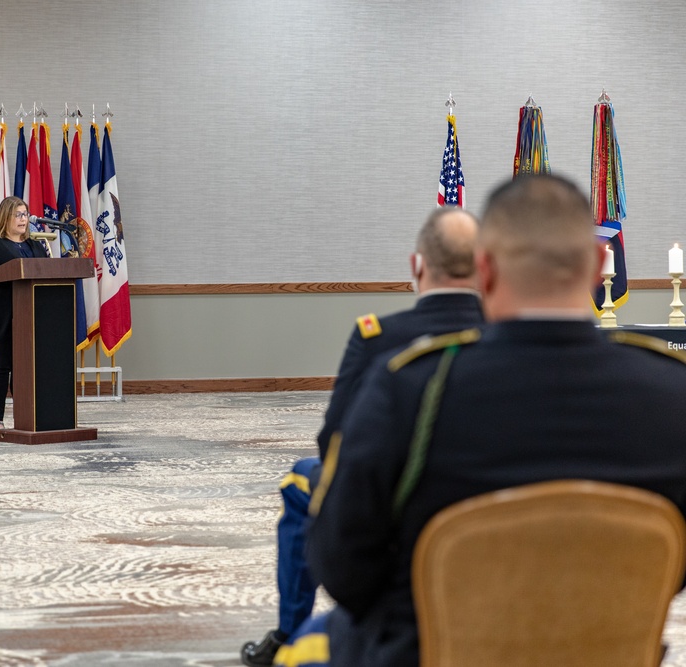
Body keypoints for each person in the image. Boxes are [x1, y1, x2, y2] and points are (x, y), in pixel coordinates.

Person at [306, 174, 686, 667]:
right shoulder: (672, 394)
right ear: (597, 267)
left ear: (484, 269)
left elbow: (340, 567)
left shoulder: (410, 388)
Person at [241, 207, 484, 667]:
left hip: (394, 507)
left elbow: (335, 440)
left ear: (417, 266)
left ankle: (289, 633)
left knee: (301, 481)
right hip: (489, 500)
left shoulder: (378, 336)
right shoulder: (506, 335)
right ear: (485, 269)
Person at [0, 196, 49, 431]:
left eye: (25, 214)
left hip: (29, 311)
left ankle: (25, 416)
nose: (23, 219)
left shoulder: (35, 246)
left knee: (25, 365)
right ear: (5, 217)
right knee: (3, 363)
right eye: (18, 214)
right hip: (1, 310)